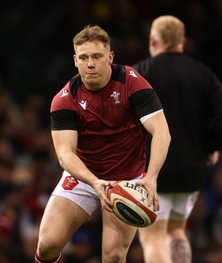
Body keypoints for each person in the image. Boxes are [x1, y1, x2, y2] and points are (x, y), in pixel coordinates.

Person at [34, 25, 171, 263]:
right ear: (75, 61)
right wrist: (95, 182)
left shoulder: (133, 83)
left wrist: (151, 177)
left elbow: (162, 132)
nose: (90, 64)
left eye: (97, 56)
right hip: (84, 176)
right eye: (84, 58)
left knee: (114, 256)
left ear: (110, 57)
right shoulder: (64, 100)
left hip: (127, 180)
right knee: (47, 245)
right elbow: (66, 155)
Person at [133, 15, 222, 263]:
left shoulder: (139, 74)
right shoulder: (203, 73)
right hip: (192, 170)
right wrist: (210, 148)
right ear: (183, 41)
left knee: (153, 236)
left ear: (153, 40)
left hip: (154, 171)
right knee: (177, 230)